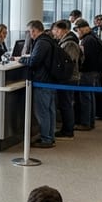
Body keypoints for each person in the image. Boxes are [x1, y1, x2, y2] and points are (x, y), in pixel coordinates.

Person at [19, 20, 58, 148]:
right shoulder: (49, 40)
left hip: (42, 81)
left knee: (42, 111)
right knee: (50, 110)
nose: (30, 35)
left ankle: (46, 139)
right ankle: (50, 136)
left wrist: (21, 59)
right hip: (50, 80)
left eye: (30, 32)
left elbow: (34, 61)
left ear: (34, 30)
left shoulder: (41, 42)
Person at [52, 20, 81, 140]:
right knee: (65, 103)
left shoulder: (70, 43)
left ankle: (68, 131)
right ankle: (66, 128)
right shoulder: (65, 41)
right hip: (68, 78)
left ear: (64, 30)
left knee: (66, 104)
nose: (56, 33)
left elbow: (68, 61)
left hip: (69, 78)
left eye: (57, 30)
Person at [73, 19, 100, 130]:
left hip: (87, 71)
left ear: (84, 28)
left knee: (85, 97)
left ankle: (85, 123)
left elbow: (85, 57)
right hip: (93, 70)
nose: (78, 32)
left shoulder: (87, 40)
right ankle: (90, 121)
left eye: (79, 29)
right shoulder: (93, 37)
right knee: (90, 96)